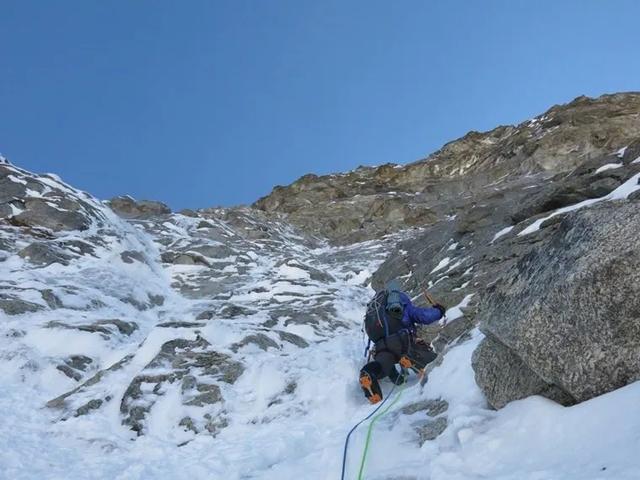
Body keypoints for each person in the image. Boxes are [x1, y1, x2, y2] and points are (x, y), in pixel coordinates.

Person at [359, 282, 446, 404]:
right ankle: (410, 359)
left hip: (380, 346)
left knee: (383, 366)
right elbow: (424, 316)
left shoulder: (376, 311)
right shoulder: (400, 304)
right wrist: (439, 311)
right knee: (436, 364)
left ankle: (370, 373)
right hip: (402, 341)